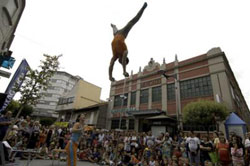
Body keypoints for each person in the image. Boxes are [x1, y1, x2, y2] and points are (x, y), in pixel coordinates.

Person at [109, 2, 147, 82]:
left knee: (114, 30)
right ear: (124, 59)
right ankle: (143, 8)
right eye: (123, 61)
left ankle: (114, 26)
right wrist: (124, 71)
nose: (121, 60)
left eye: (120, 61)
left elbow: (111, 65)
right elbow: (123, 60)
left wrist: (110, 76)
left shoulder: (115, 56)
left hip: (116, 35)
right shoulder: (125, 52)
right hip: (123, 33)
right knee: (133, 21)